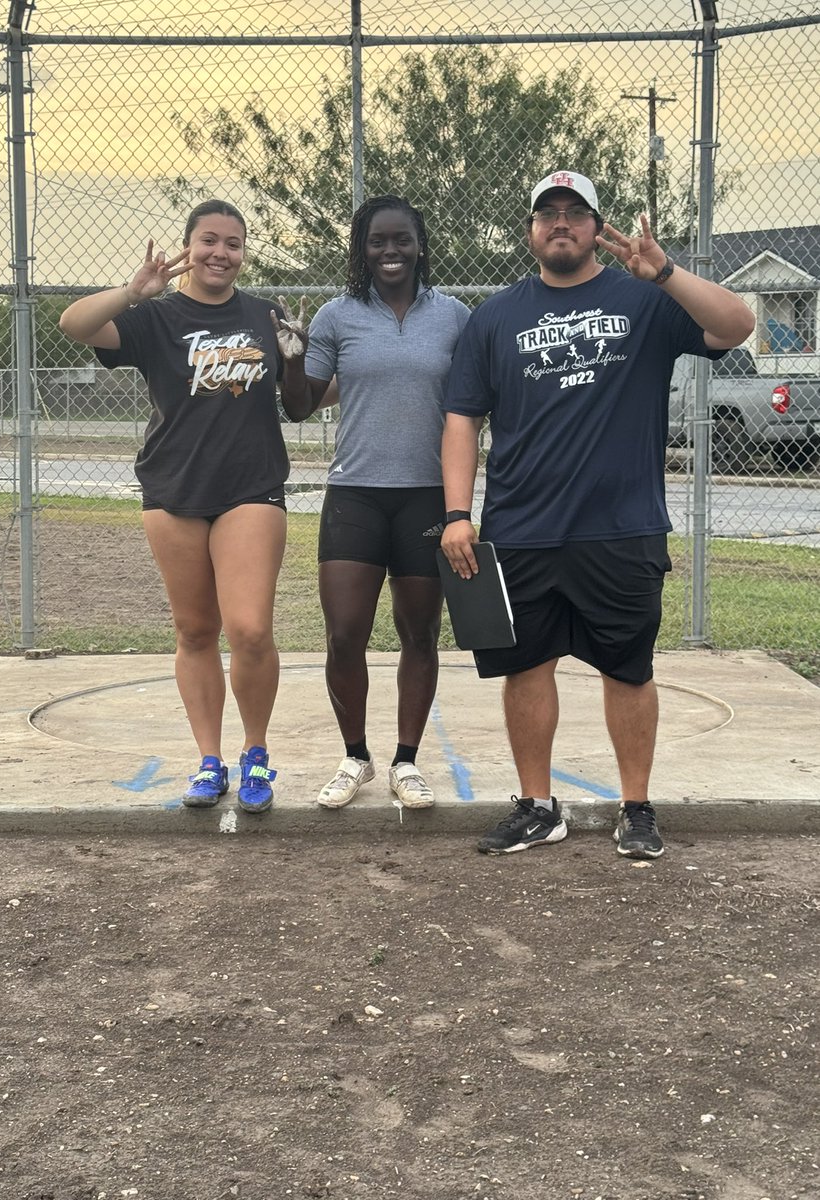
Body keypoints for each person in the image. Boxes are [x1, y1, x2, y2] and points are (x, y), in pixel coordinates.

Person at [440, 169, 755, 859]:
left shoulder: (644, 299)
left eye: (574, 212)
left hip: (623, 525)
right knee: (526, 671)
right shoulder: (494, 317)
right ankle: (537, 804)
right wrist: (456, 513)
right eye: (547, 213)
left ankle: (635, 806)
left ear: (594, 227)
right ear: (530, 231)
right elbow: (463, 418)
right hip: (522, 527)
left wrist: (666, 271)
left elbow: (736, 323)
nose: (561, 222)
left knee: (629, 670)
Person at [60, 199, 305, 814]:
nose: (221, 253)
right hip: (173, 489)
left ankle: (255, 755)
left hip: (250, 487)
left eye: (233, 243)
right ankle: (208, 761)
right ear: (187, 247)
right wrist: (131, 291)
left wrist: (328, 363)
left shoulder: (264, 315)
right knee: (195, 630)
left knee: (249, 629)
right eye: (209, 241)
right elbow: (74, 324)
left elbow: (303, 395)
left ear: (244, 252)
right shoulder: (157, 316)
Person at [279, 195, 471, 810]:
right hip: (356, 494)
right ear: (361, 250)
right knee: (344, 635)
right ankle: (356, 756)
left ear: (420, 245)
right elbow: (301, 404)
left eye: (401, 240)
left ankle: (407, 762)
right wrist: (290, 356)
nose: (390, 252)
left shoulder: (455, 317)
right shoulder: (337, 316)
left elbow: (473, 405)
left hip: (427, 496)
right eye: (377, 242)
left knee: (419, 635)